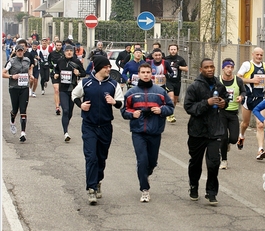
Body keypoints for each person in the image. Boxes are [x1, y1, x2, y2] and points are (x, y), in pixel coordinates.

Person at [72, 56, 124, 205]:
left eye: (109, 66)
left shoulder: (113, 85)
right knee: (91, 157)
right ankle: (91, 188)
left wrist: (114, 102)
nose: (109, 69)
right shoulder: (86, 82)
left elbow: (121, 103)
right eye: (106, 67)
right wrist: (81, 105)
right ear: (98, 68)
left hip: (106, 127)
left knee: (101, 158)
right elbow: (74, 95)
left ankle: (98, 180)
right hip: (89, 126)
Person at [121, 63, 174, 202]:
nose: (145, 74)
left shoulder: (160, 92)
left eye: (147, 72)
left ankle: (146, 173)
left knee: (152, 162)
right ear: (138, 74)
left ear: (152, 74)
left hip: (155, 131)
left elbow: (170, 107)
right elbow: (124, 111)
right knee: (142, 160)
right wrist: (133, 114)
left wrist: (161, 110)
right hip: (138, 132)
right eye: (143, 72)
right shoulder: (132, 93)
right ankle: (144, 189)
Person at [184, 58, 229, 205]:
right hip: (197, 131)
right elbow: (189, 107)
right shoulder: (194, 87)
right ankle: (194, 186)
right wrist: (207, 103)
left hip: (215, 130)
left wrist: (224, 103)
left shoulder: (218, 85)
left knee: (214, 163)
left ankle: (211, 192)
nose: (210, 69)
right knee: (196, 163)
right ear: (201, 70)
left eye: (212, 67)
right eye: (206, 67)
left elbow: (226, 99)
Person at [236, 47, 265, 160]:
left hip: (260, 98)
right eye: (257, 54)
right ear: (253, 54)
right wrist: (252, 81)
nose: (259, 57)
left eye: (261, 55)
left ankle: (260, 150)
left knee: (260, 124)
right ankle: (241, 135)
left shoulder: (264, 65)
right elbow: (238, 78)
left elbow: (264, 77)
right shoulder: (247, 65)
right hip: (248, 98)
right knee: (245, 123)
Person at [53, 45, 86, 142]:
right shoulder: (60, 61)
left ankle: (66, 124)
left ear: (73, 52)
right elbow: (56, 70)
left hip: (73, 90)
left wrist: (78, 73)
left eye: (70, 51)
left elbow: (84, 73)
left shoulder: (76, 62)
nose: (69, 52)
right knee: (66, 110)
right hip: (63, 90)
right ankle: (66, 132)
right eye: (67, 51)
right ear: (64, 52)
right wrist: (56, 74)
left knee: (70, 112)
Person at [218, 58, 246, 169]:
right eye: (227, 67)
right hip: (221, 113)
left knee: (234, 138)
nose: (229, 69)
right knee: (223, 137)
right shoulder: (218, 80)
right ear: (223, 68)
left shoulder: (238, 81)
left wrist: (241, 96)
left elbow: (244, 91)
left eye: (231, 67)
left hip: (233, 113)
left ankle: (227, 144)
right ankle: (224, 160)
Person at [2, 45, 34, 142]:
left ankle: (23, 133)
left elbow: (30, 68)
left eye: (21, 51)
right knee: (15, 109)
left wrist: (30, 75)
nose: (20, 52)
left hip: (24, 88)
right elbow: (3, 73)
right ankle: (12, 121)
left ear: (24, 51)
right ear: (15, 52)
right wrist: (12, 76)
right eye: (18, 51)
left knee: (23, 109)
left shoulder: (27, 60)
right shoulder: (11, 61)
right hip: (14, 88)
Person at [164, 43, 188, 123]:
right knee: (171, 98)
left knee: (175, 100)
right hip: (168, 81)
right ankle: (170, 115)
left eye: (174, 49)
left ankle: (170, 112)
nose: (173, 51)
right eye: (171, 49)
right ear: (169, 50)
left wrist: (179, 67)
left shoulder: (180, 59)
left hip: (177, 81)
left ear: (177, 50)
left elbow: (186, 69)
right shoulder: (165, 59)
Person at [48, 40, 64, 115]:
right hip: (54, 74)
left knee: (61, 90)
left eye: (60, 45)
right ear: (55, 45)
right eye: (57, 45)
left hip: (63, 74)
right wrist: (52, 69)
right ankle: (57, 107)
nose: (58, 46)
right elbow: (49, 63)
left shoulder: (64, 53)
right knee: (56, 89)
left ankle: (60, 101)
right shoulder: (52, 54)